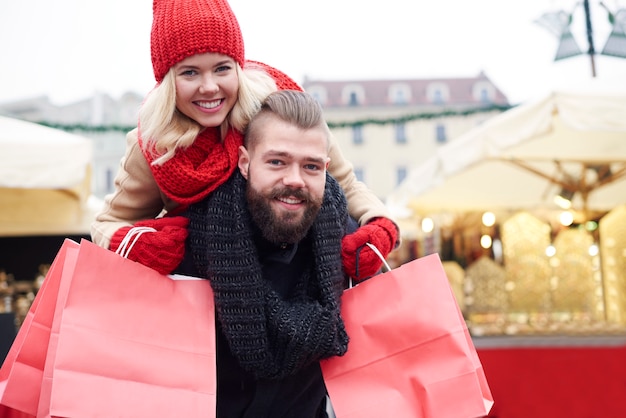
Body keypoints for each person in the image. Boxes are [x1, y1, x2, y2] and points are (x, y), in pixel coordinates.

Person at [90, 0, 398, 281]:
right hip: (206, 303)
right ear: (168, 79)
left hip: (298, 283)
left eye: (222, 68)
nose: (209, 87)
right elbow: (107, 223)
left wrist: (379, 224)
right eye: (190, 73)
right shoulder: (153, 143)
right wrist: (134, 243)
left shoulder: (280, 108)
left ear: (238, 67)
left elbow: (345, 183)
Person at [176, 89, 353, 417]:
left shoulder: (350, 243)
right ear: (245, 163)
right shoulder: (184, 242)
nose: (295, 179)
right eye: (277, 162)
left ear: (326, 170)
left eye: (311, 167)